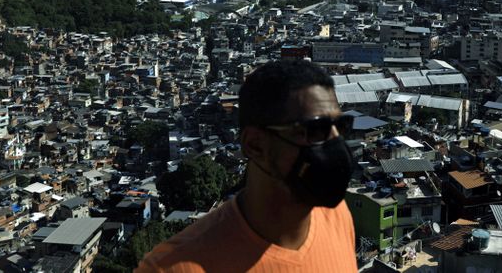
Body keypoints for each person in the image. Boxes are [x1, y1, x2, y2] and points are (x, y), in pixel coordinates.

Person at [136, 59, 358, 272]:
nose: (335, 143)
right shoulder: (174, 268)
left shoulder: (337, 217)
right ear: (255, 145)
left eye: (341, 126)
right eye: (315, 130)